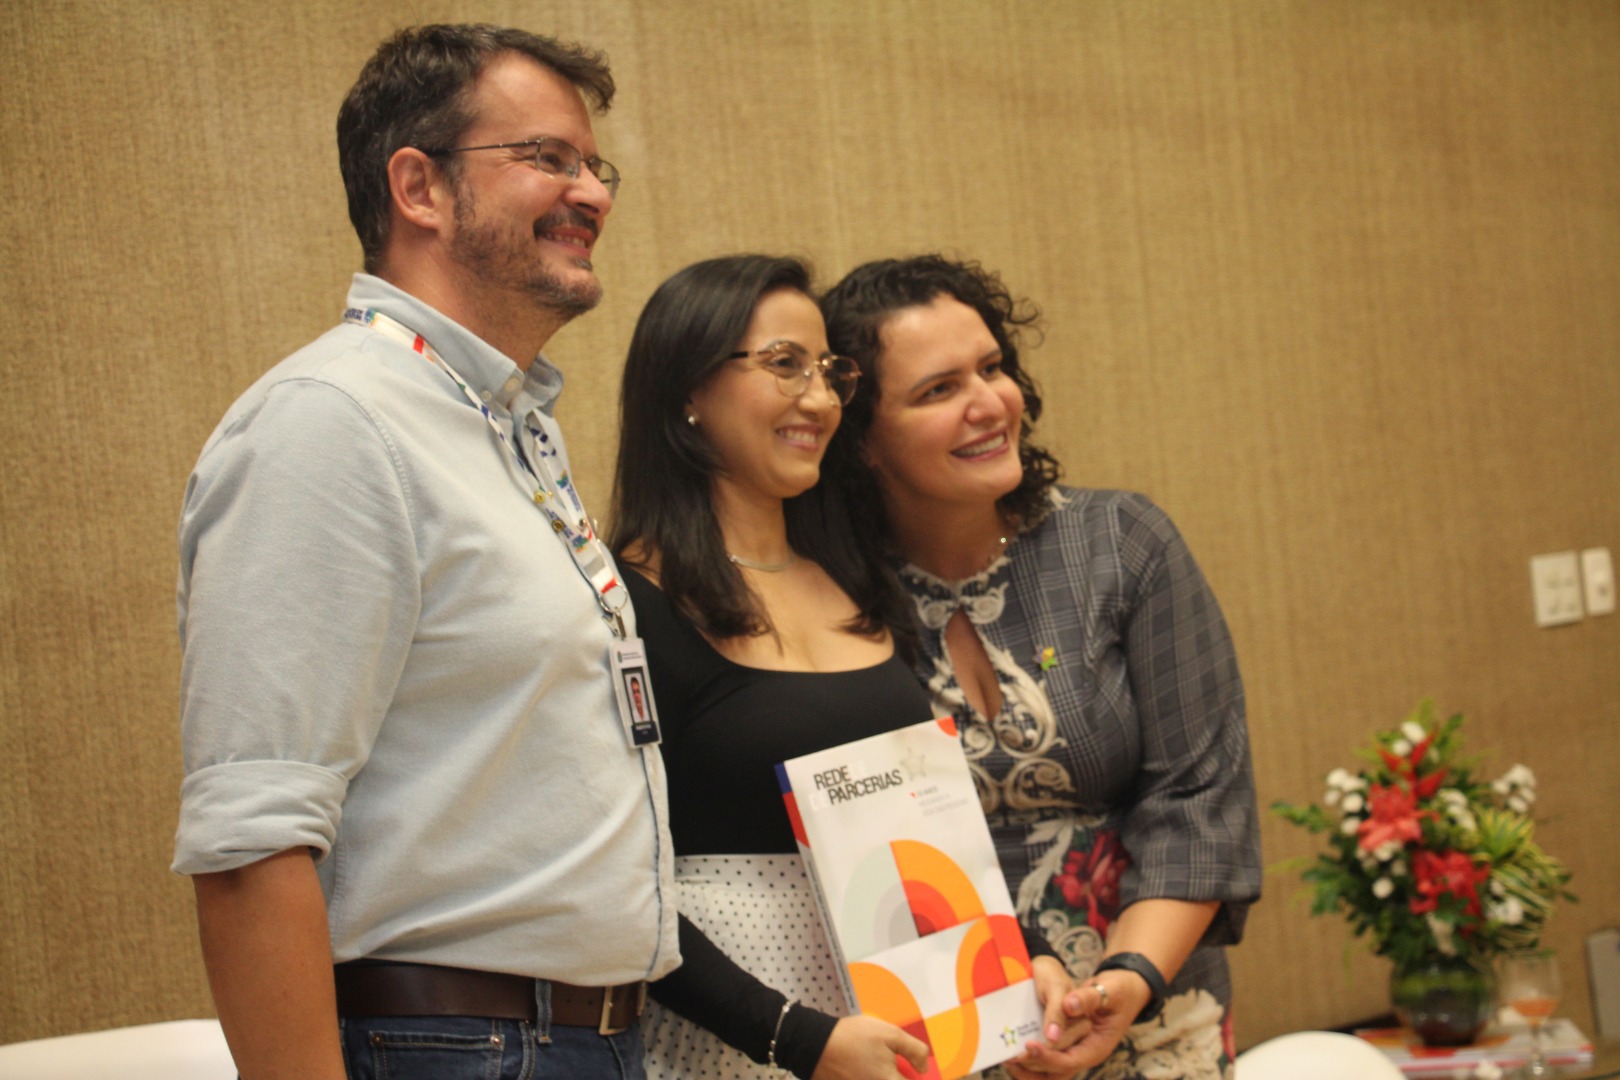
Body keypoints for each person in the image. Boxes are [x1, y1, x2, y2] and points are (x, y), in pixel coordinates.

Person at [171, 24, 676, 1080]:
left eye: (596, 166)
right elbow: (252, 840)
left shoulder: (503, 424)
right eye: (546, 157)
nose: (592, 193)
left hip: (588, 1040)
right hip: (456, 1046)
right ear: (420, 188)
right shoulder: (332, 421)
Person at [608, 255, 1088, 1080]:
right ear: (688, 390)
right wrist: (797, 1039)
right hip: (735, 1046)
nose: (821, 400)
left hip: (900, 1034)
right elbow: (612, 884)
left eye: (830, 371)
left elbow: (926, 835)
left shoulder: (854, 576)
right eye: (784, 365)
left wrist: (1029, 955)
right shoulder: (626, 603)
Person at [820, 255, 1263, 1078]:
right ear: (863, 440)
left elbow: (1199, 799)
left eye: (992, 368)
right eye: (939, 389)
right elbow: (863, 846)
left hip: (1152, 1007)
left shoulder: (1120, 545)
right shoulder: (828, 596)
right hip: (954, 1030)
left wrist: (1126, 980)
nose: (990, 404)